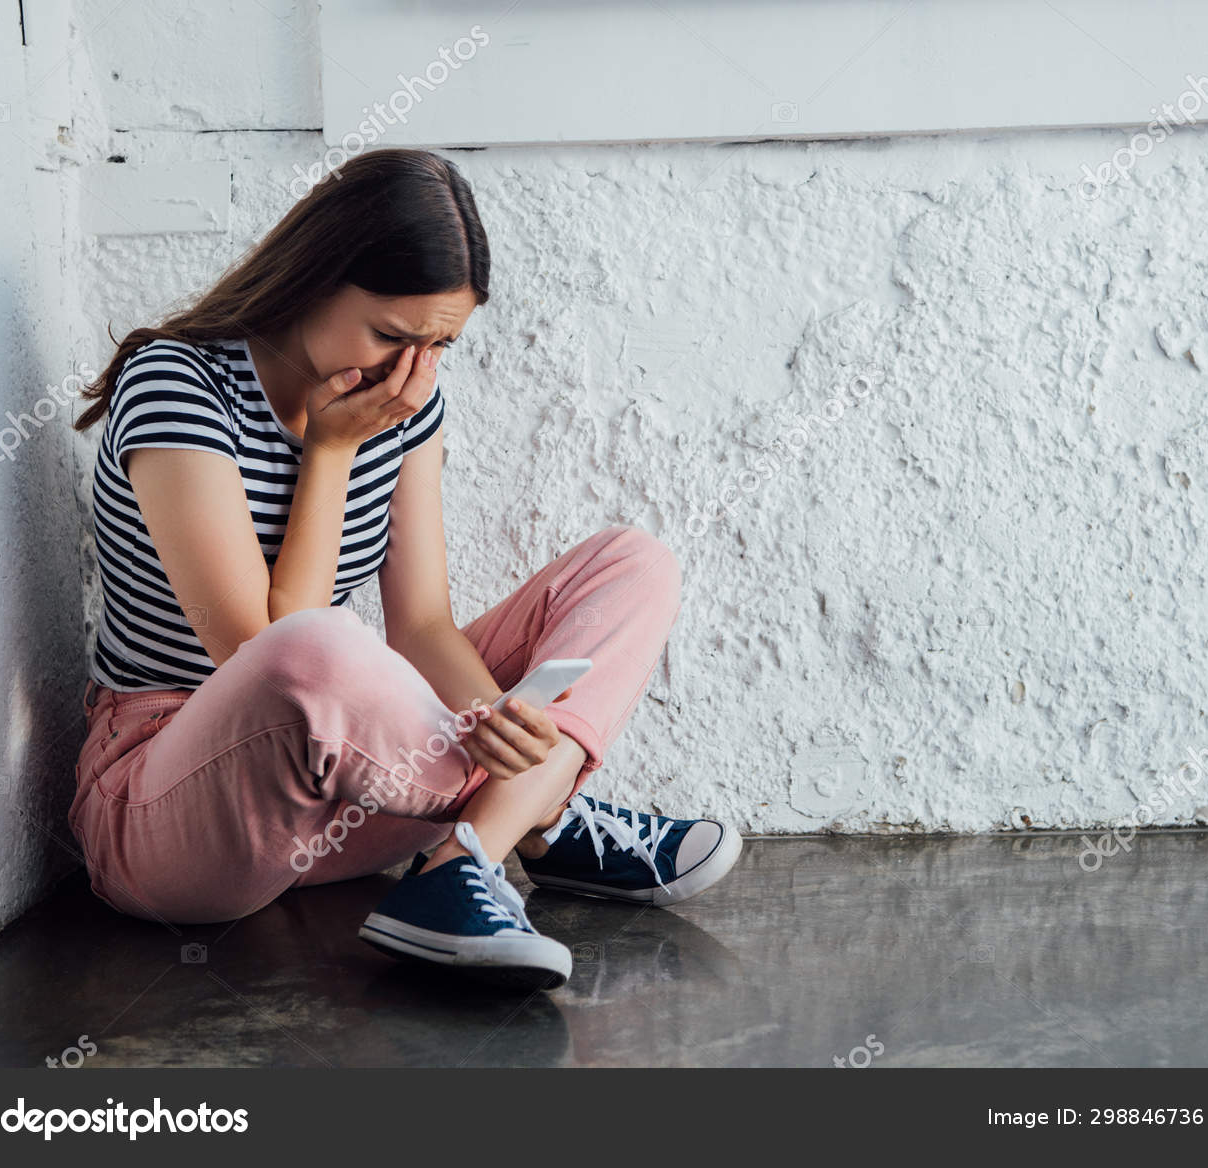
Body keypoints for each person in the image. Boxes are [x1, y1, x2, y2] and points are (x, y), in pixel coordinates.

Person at [67, 148, 742, 990]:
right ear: (315, 276)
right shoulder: (178, 382)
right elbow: (258, 652)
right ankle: (541, 814)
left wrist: (502, 722)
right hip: (175, 806)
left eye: (439, 345)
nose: (407, 369)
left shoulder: (406, 404)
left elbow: (422, 624)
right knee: (323, 648)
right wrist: (332, 450)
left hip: (352, 806)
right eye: (390, 334)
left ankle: (462, 862)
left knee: (630, 565)